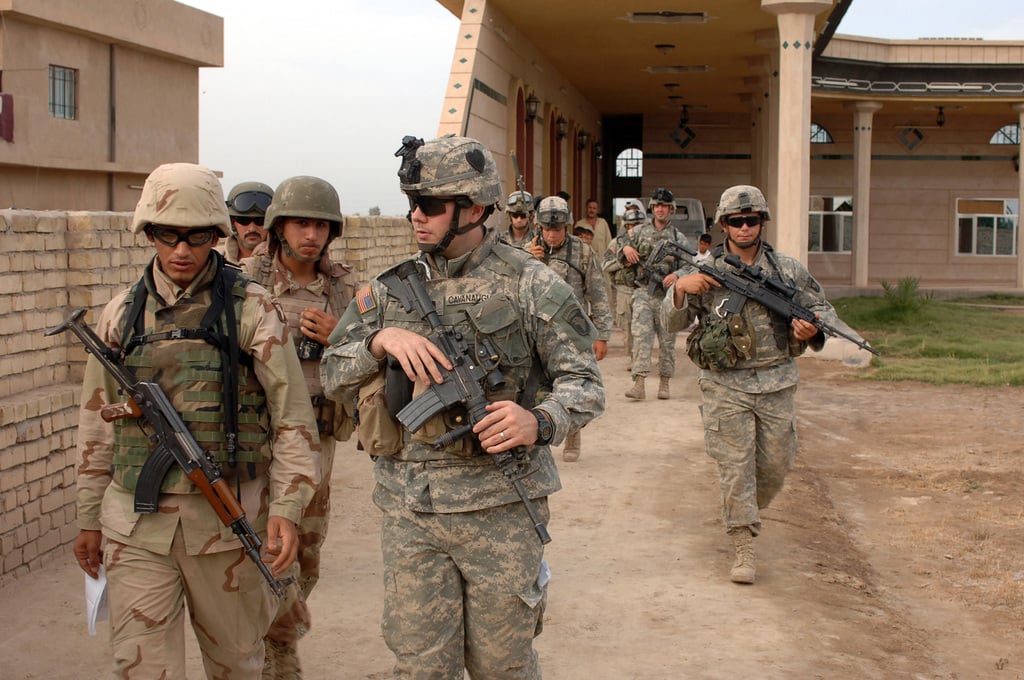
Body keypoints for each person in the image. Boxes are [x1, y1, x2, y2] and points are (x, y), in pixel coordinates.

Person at [320, 134, 605, 679]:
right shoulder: (386, 292)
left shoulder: (532, 284)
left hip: (500, 509)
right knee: (421, 666)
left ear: (473, 209)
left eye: (430, 205)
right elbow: (332, 372)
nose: (416, 218)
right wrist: (378, 344)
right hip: (411, 511)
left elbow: (585, 384)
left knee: (503, 665)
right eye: (411, 205)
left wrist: (539, 420)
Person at [72, 163, 321, 679]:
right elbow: (97, 426)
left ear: (216, 236)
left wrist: (289, 508)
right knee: (141, 668)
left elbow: (292, 417)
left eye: (197, 236)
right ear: (148, 234)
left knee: (237, 665)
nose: (181, 251)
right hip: (135, 528)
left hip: (227, 525)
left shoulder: (252, 309)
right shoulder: (121, 314)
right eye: (168, 235)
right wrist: (88, 518)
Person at [661, 185, 839, 585]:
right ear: (724, 225)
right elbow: (668, 323)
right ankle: (742, 543)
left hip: (777, 383)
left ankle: (740, 512)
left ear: (761, 223)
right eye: (736, 221)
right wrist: (678, 291)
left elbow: (822, 308)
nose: (744, 227)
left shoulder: (787, 270)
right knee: (735, 467)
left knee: (775, 466)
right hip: (725, 385)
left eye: (751, 220)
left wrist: (811, 328)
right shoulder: (705, 271)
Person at [239, 175, 358, 678]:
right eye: (299, 223)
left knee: (302, 550)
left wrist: (344, 337)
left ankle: (282, 642)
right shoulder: (243, 281)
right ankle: (261, 645)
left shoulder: (346, 288)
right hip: (251, 436)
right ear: (278, 227)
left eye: (319, 225)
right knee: (246, 545)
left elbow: (378, 364)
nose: (310, 234)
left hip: (316, 443)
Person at [529, 195, 612, 462]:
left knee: (574, 388)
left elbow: (598, 295)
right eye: (547, 229)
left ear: (566, 226)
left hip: (571, 333)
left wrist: (601, 336)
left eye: (557, 229)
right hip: (534, 331)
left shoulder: (583, 252)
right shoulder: (525, 251)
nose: (552, 235)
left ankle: (573, 438)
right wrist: (527, 260)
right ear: (538, 226)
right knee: (534, 387)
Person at [613, 187, 690, 400]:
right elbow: (620, 247)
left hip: (667, 296)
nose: (661, 210)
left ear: (671, 209)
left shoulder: (677, 237)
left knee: (667, 340)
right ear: (652, 208)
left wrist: (677, 274)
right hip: (643, 293)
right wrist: (625, 250)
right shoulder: (638, 232)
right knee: (641, 337)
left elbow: (690, 266)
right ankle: (639, 383)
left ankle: (664, 382)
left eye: (665, 206)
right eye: (657, 206)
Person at [602, 204, 647, 371]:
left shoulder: (647, 243)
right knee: (627, 329)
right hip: (624, 291)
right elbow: (606, 265)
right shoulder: (616, 243)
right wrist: (622, 262)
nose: (634, 229)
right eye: (631, 225)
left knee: (643, 329)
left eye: (638, 225)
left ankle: (641, 360)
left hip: (643, 289)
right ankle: (633, 358)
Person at [223, 181, 274, 262]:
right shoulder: (215, 259)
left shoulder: (284, 261)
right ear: (232, 222)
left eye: (260, 221)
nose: (252, 228)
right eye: (244, 220)